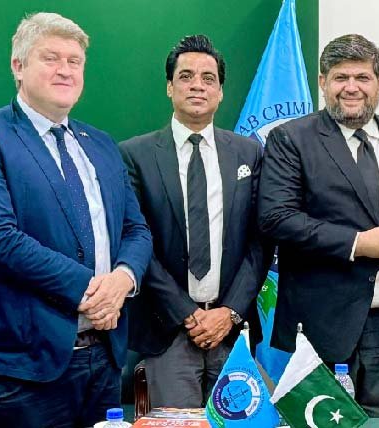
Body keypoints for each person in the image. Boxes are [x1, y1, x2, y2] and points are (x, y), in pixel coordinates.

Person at [0, 12, 152, 427]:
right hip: (27, 366)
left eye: (74, 61)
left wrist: (122, 280)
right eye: (51, 58)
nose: (65, 70)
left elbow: (136, 230)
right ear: (18, 66)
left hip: (105, 355)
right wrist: (92, 291)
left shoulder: (100, 144)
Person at [258, 34, 379, 417]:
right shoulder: (291, 139)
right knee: (321, 424)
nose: (351, 87)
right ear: (322, 82)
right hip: (321, 323)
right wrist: (357, 243)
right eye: (340, 77)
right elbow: (277, 218)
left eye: (362, 77)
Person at [120, 34, 266, 408]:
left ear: (220, 92)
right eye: (186, 76)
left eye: (208, 78)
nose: (197, 85)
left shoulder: (249, 153)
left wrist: (228, 313)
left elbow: (260, 241)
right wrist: (188, 314)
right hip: (168, 329)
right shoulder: (135, 155)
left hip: (232, 330)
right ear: (170, 87)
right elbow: (136, 241)